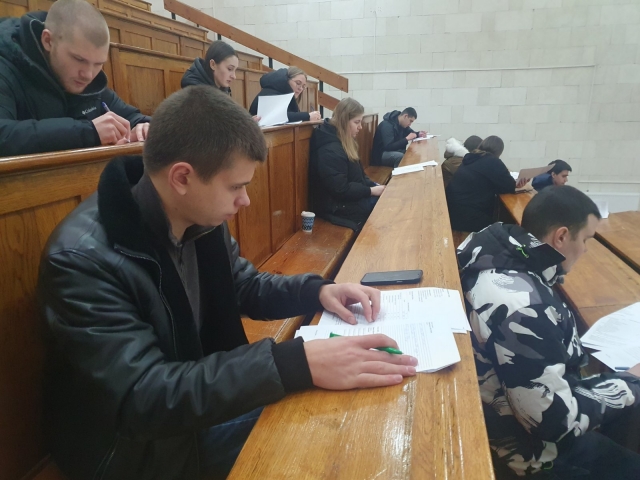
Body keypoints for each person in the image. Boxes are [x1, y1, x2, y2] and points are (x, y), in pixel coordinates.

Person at [37, 86, 417, 480]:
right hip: (140, 451)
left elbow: (245, 286)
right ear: (182, 177)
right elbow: (143, 396)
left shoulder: (195, 212)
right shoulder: (82, 260)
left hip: (194, 404)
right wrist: (294, 362)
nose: (245, 200)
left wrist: (318, 291)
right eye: (236, 186)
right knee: (333, 441)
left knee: (352, 406)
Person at [457, 185, 640, 479]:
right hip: (528, 454)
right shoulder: (526, 307)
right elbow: (555, 423)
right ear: (562, 237)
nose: (586, 250)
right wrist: (630, 383)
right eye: (585, 239)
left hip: (506, 410)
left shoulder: (493, 248)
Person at [0, 0, 151, 158]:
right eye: (79, 59)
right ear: (48, 41)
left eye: (98, 64)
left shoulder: (89, 81)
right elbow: (3, 135)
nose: (88, 75)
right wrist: (89, 132)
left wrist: (144, 127)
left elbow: (133, 117)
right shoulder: (5, 67)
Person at [309, 98, 383, 232]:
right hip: (337, 207)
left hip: (350, 200)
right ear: (343, 121)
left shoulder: (344, 141)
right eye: (356, 122)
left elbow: (359, 175)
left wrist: (374, 185)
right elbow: (340, 189)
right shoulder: (329, 149)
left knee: (389, 201)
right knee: (388, 209)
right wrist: (370, 191)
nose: (360, 127)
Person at [446, 136, 527, 233]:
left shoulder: (471, 158)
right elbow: (508, 187)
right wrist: (516, 184)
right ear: (499, 151)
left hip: (452, 211)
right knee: (503, 229)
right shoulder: (493, 161)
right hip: (466, 216)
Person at [248, 66, 321, 122]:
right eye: (298, 83)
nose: (300, 88)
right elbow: (278, 116)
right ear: (287, 80)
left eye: (303, 86)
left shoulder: (286, 94)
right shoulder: (270, 92)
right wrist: (308, 116)